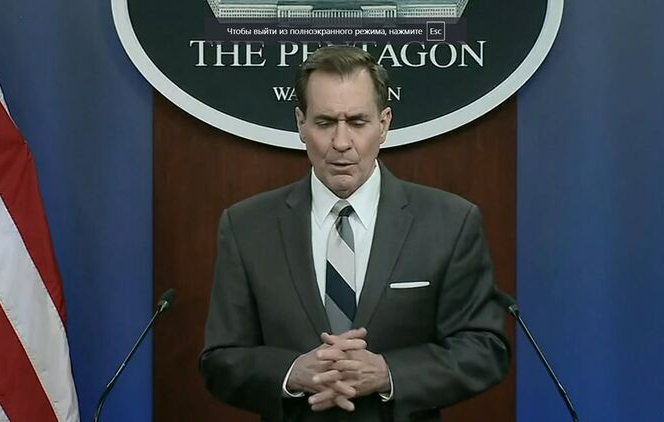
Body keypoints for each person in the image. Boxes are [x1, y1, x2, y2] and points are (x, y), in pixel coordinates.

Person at [199, 45, 510, 421]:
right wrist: (291, 372)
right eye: (325, 122)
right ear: (301, 124)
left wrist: (389, 374)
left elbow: (483, 348)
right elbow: (221, 359)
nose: (341, 142)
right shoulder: (247, 227)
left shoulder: (450, 222)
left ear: (384, 124)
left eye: (358, 122)